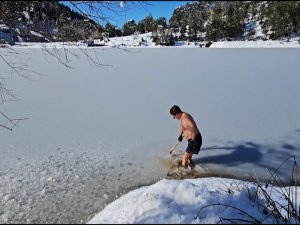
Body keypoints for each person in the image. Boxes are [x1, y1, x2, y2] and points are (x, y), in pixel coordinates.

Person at [169, 105, 202, 169]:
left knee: (184, 158)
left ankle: (183, 172)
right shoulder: (183, 116)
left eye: (174, 116)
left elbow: (193, 127)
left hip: (194, 140)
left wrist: (193, 139)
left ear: (177, 114)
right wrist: (180, 135)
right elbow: (183, 126)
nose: (174, 118)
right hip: (193, 140)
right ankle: (191, 168)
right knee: (188, 158)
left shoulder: (185, 118)